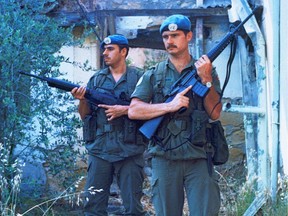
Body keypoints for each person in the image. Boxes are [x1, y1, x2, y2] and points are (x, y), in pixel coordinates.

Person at [128, 15, 222, 215]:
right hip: (164, 157)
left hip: (198, 155)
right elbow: (134, 110)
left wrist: (206, 79)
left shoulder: (206, 71)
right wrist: (168, 106)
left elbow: (215, 113)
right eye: (165, 36)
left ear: (188, 36)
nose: (169, 41)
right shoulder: (154, 73)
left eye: (175, 35)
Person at [71, 34, 146, 216]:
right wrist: (81, 100)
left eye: (110, 49)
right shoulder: (96, 80)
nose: (105, 53)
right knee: (93, 207)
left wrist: (124, 110)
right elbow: (85, 115)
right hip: (100, 149)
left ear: (123, 51)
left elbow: (150, 109)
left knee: (133, 208)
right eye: (104, 49)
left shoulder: (140, 78)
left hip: (130, 149)